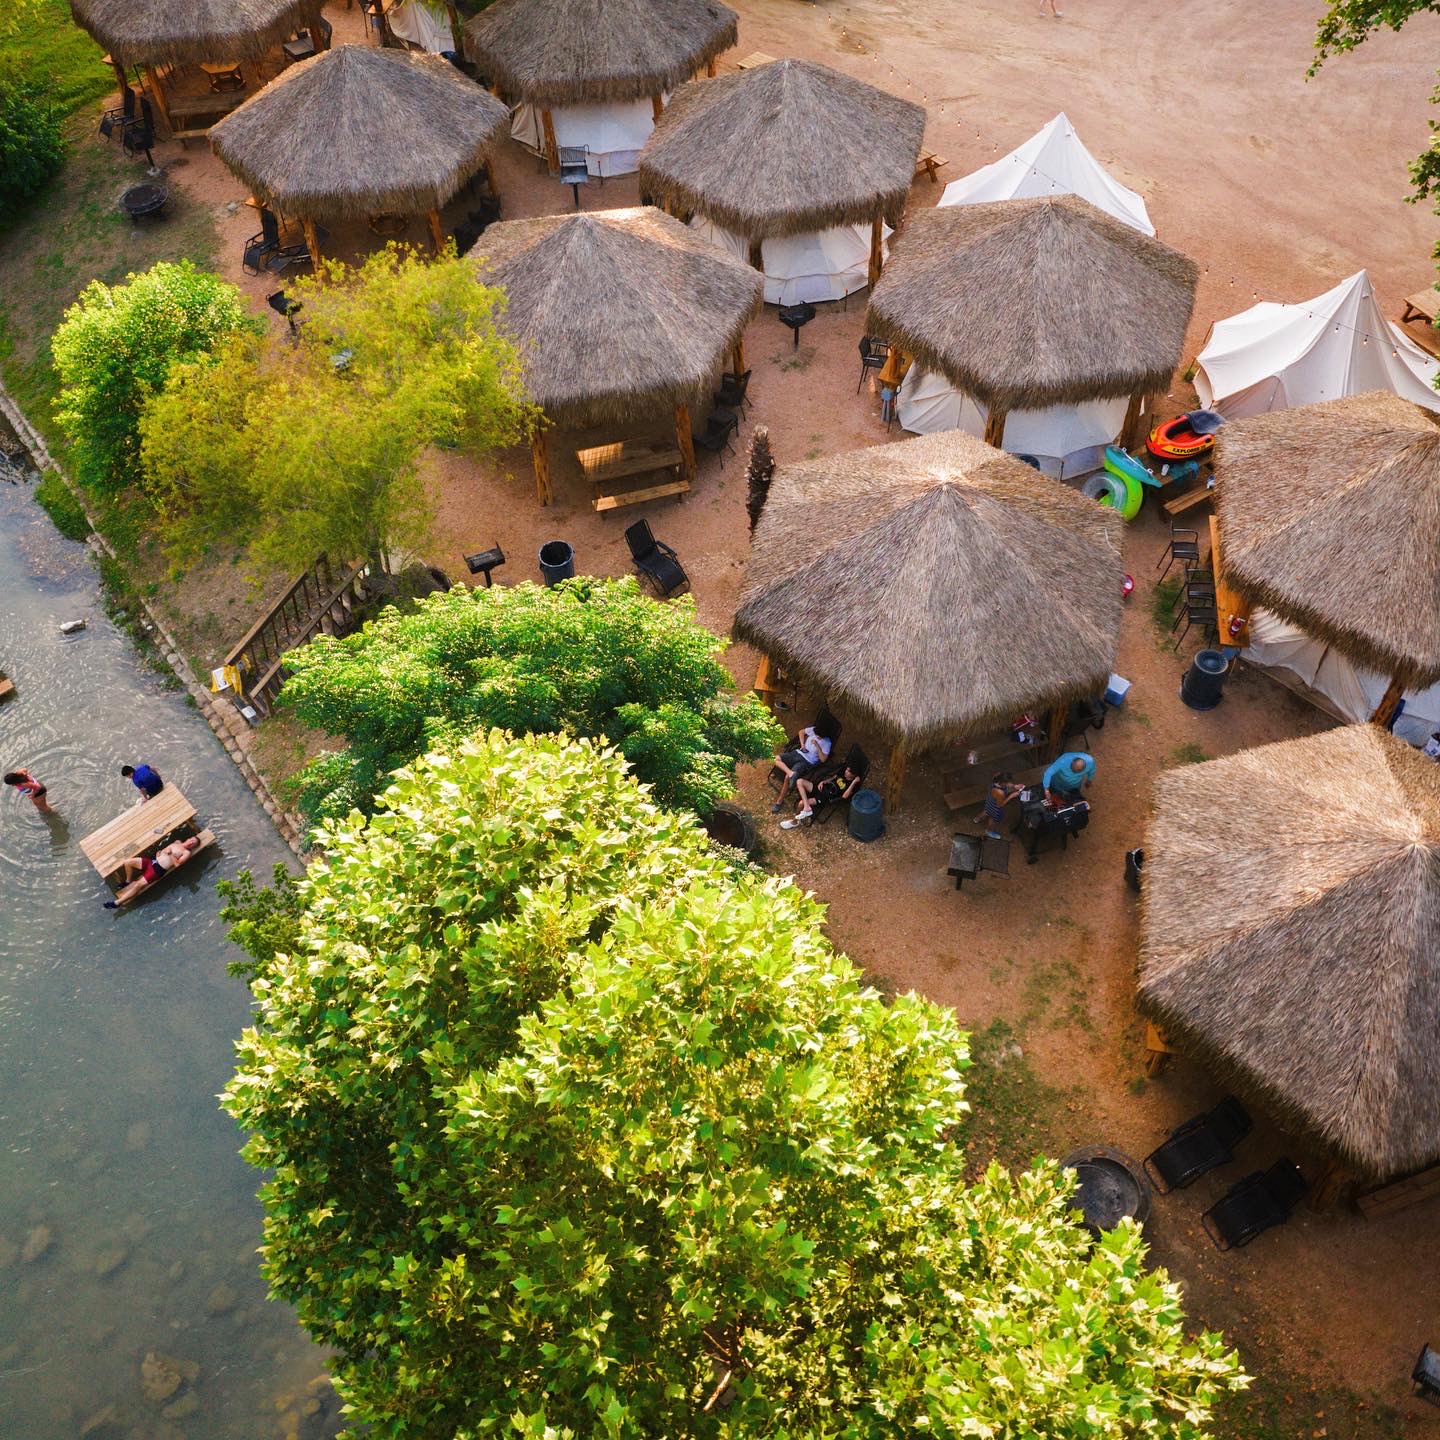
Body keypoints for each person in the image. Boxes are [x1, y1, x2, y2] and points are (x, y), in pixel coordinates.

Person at [104, 834, 202, 907]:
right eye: (192, 840)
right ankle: (127, 881)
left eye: (194, 844)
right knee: (128, 862)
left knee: (138, 885)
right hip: (152, 861)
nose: (191, 842)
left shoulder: (186, 853)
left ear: (193, 847)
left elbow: (177, 864)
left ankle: (117, 903)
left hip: (157, 870)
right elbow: (165, 850)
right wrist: (160, 851)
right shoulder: (177, 842)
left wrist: (171, 854)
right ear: (189, 838)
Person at [771, 723, 833, 812]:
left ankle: (779, 802)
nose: (817, 736)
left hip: (807, 761)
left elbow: (823, 759)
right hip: (798, 753)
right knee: (775, 759)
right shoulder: (814, 729)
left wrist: (817, 746)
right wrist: (802, 745)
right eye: (816, 735)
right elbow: (801, 732)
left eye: (819, 736)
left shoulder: (827, 743)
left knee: (787, 778)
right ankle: (791, 773)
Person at [782, 761, 862, 829]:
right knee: (799, 781)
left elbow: (844, 796)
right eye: (847, 770)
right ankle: (807, 808)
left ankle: (795, 822)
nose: (846, 772)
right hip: (820, 787)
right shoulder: (842, 773)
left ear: (854, 775)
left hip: (823, 797)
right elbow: (833, 777)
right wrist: (824, 782)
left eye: (849, 772)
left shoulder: (852, 786)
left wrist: (854, 782)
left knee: (801, 803)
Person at [973, 770, 1022, 840]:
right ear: (1004, 783)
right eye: (1009, 782)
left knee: (986, 810)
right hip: (995, 808)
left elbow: (1006, 786)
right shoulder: (1000, 793)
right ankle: (988, 831)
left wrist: (1014, 786)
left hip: (990, 800)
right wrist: (1011, 796)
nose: (1011, 783)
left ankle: (977, 819)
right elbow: (1000, 805)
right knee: (993, 820)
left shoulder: (996, 776)